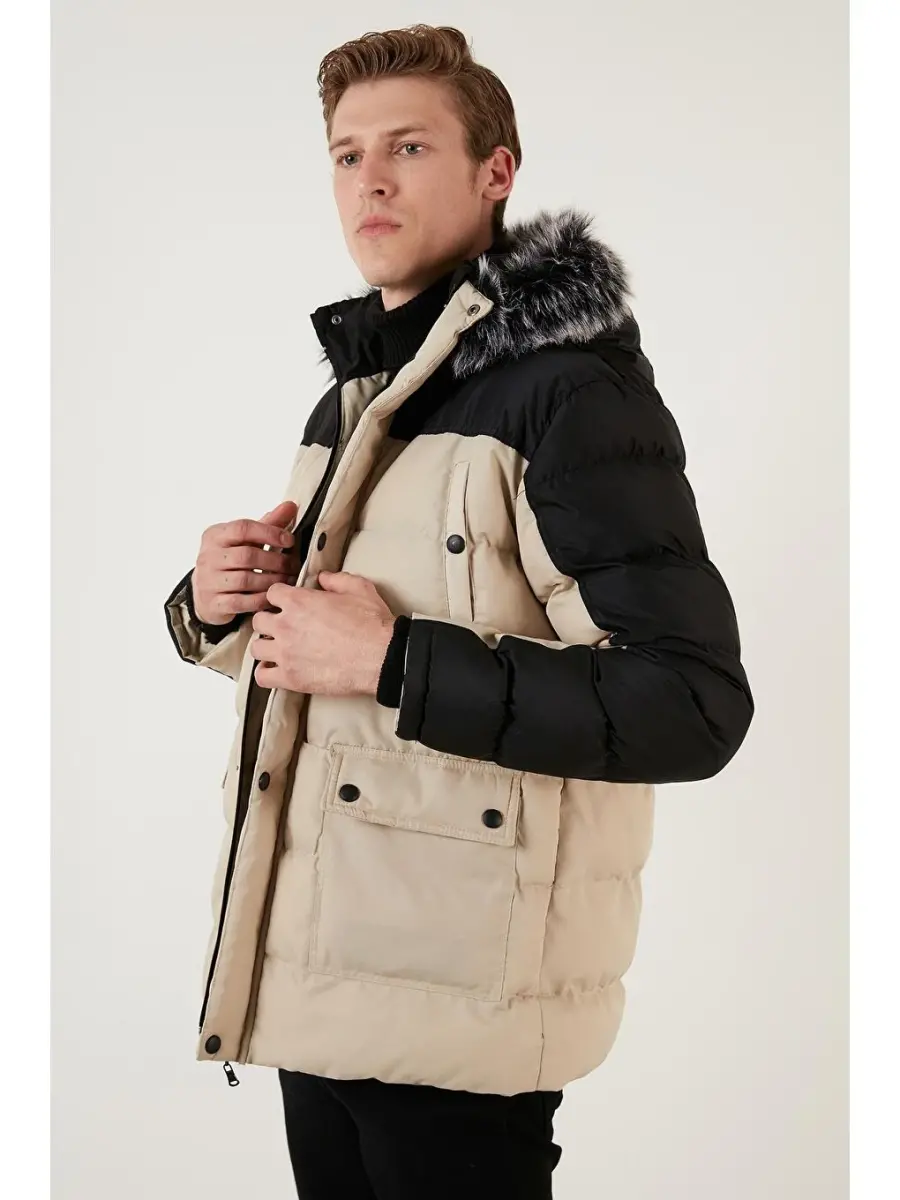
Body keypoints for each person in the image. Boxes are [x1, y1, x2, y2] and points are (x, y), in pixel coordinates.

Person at [163, 23, 754, 1200]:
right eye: (346, 155)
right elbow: (323, 654)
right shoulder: (361, 397)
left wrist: (393, 661)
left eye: (409, 146)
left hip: (462, 1016)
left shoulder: (570, 396)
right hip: (318, 979)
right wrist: (220, 607)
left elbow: (689, 700)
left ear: (497, 171)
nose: (369, 181)